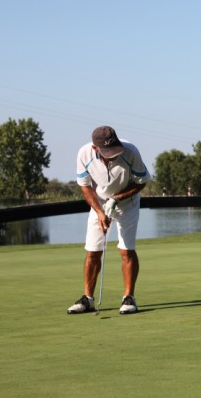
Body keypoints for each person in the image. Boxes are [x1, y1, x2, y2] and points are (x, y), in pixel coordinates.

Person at [67, 126, 151, 315]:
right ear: (96, 148)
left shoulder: (130, 152)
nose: (113, 155)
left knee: (126, 249)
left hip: (127, 202)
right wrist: (99, 211)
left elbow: (141, 181)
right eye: (108, 152)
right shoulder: (84, 153)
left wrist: (117, 198)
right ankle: (87, 299)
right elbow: (85, 186)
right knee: (93, 251)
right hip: (99, 203)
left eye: (114, 150)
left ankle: (129, 297)